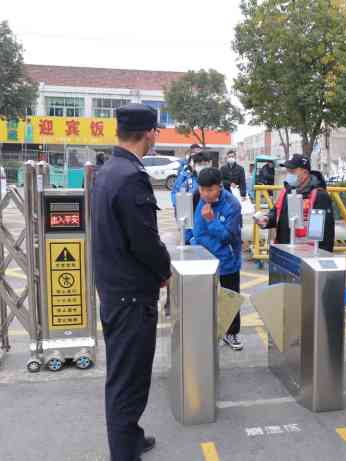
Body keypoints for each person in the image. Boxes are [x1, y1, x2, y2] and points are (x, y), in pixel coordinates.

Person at [91, 103, 171, 461]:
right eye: (156, 131)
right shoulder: (131, 176)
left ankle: (131, 437)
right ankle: (124, 453)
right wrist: (165, 270)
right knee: (129, 382)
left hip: (114, 290)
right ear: (149, 133)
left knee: (123, 372)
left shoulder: (108, 171)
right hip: (131, 298)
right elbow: (144, 240)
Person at [191, 168, 244, 350]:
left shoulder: (232, 205)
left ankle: (232, 333)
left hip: (227, 259)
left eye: (209, 190)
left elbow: (228, 236)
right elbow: (198, 232)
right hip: (205, 259)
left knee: (230, 297)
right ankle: (206, 332)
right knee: (205, 297)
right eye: (202, 189)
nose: (205, 194)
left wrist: (211, 221)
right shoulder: (200, 199)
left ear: (219, 187)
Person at [255, 154, 335, 251]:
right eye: (288, 171)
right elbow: (277, 213)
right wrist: (267, 219)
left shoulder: (319, 196)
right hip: (285, 248)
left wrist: (320, 256)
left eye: (292, 171)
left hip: (306, 253)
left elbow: (325, 233)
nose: (289, 175)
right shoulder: (287, 191)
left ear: (305, 172)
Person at [171, 151, 212, 244]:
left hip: (209, 221)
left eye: (205, 164)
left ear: (209, 164)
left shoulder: (215, 181)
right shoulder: (187, 181)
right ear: (194, 166)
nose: (203, 166)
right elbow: (177, 197)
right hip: (190, 221)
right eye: (200, 164)